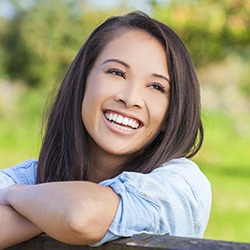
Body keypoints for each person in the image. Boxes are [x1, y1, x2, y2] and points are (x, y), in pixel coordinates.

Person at [0, 11, 211, 248]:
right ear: (83, 81)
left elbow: (81, 216)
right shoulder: (33, 177)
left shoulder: (180, 184)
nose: (130, 99)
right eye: (117, 73)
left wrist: (14, 196)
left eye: (156, 86)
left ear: (171, 114)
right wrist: (49, 209)